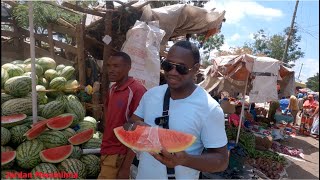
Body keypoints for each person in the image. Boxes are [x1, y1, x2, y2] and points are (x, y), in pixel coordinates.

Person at [125, 41, 228, 179]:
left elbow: (221, 161)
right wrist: (134, 128)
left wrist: (185, 160)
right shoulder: (151, 95)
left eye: (181, 68)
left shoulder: (209, 108)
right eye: (168, 65)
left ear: (196, 68)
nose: (173, 72)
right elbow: (130, 123)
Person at [98, 52, 147, 179]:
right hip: (107, 149)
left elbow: (138, 131)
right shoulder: (112, 89)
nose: (111, 70)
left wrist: (126, 167)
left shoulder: (137, 90)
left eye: (116, 66)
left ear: (128, 67)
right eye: (108, 66)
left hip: (120, 154)